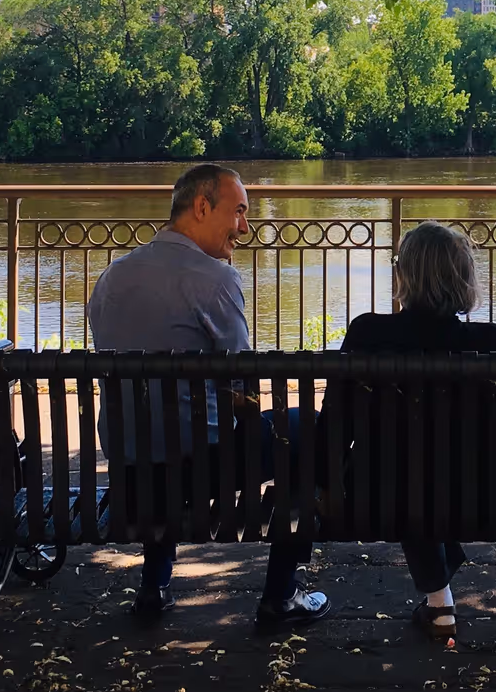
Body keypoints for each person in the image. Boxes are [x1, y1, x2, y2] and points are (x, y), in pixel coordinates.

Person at [85, 163, 329, 631]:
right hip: (200, 472)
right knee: (306, 429)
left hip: (130, 470)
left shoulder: (112, 276)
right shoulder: (215, 280)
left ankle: (155, 584)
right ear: (201, 207)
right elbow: (244, 382)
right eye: (238, 212)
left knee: (163, 419)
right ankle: (282, 592)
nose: (245, 227)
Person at [336, 221, 496, 636]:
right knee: (430, 475)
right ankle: (439, 601)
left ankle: (439, 601)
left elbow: (336, 425)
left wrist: (322, 483)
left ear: (404, 275)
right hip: (475, 499)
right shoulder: (492, 341)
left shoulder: (367, 333)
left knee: (408, 473)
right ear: (464, 277)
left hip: (375, 498)